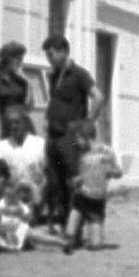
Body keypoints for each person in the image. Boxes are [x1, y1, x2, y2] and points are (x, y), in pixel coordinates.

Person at [42, 35, 103, 231]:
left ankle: (74, 230)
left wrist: (86, 124)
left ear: (63, 51)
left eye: (51, 54)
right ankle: (61, 224)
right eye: (47, 55)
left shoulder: (79, 74)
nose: (49, 59)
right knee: (55, 181)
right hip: (54, 136)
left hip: (70, 138)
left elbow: (98, 97)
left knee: (73, 181)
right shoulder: (54, 75)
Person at [63, 120, 122, 252]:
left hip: (97, 196)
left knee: (95, 246)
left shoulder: (105, 152)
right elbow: (81, 174)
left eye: (78, 138)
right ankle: (70, 237)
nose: (77, 142)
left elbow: (118, 172)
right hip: (85, 194)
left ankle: (87, 234)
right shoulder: (82, 153)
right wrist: (77, 180)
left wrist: (110, 171)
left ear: (86, 137)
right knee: (76, 209)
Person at [0, 105, 47, 216]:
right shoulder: (1, 147)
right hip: (12, 204)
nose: (14, 126)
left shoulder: (40, 144)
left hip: (37, 202)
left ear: (25, 122)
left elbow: (48, 174)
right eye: (10, 123)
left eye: (17, 122)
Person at [0, 41, 32, 138]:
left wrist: (28, 83)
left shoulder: (21, 81)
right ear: (7, 58)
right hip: (3, 124)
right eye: (18, 58)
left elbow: (28, 107)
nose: (20, 62)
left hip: (22, 123)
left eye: (21, 59)